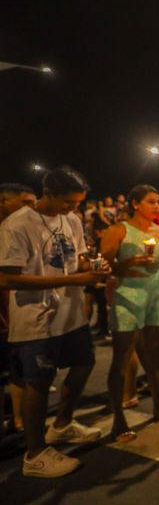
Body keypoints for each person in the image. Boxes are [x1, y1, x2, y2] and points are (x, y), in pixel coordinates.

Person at [0, 167, 108, 477]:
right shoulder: (17, 225)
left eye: (77, 203)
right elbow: (7, 277)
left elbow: (80, 257)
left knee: (84, 363)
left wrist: (95, 268)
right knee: (39, 382)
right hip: (37, 317)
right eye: (67, 203)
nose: (73, 209)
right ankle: (35, 454)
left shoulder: (71, 220)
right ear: (48, 194)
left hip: (70, 313)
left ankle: (61, 425)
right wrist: (76, 277)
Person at [101, 184, 159, 443]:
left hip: (156, 298)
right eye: (151, 201)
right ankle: (118, 419)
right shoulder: (119, 230)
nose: (157, 206)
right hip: (129, 299)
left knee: (154, 356)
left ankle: (157, 407)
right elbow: (104, 266)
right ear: (135, 204)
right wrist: (128, 262)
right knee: (121, 358)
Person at [0, 183, 37, 434]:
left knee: (19, 369)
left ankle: (18, 418)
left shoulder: (25, 231)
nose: (32, 209)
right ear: (4, 202)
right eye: (25, 203)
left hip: (18, 312)